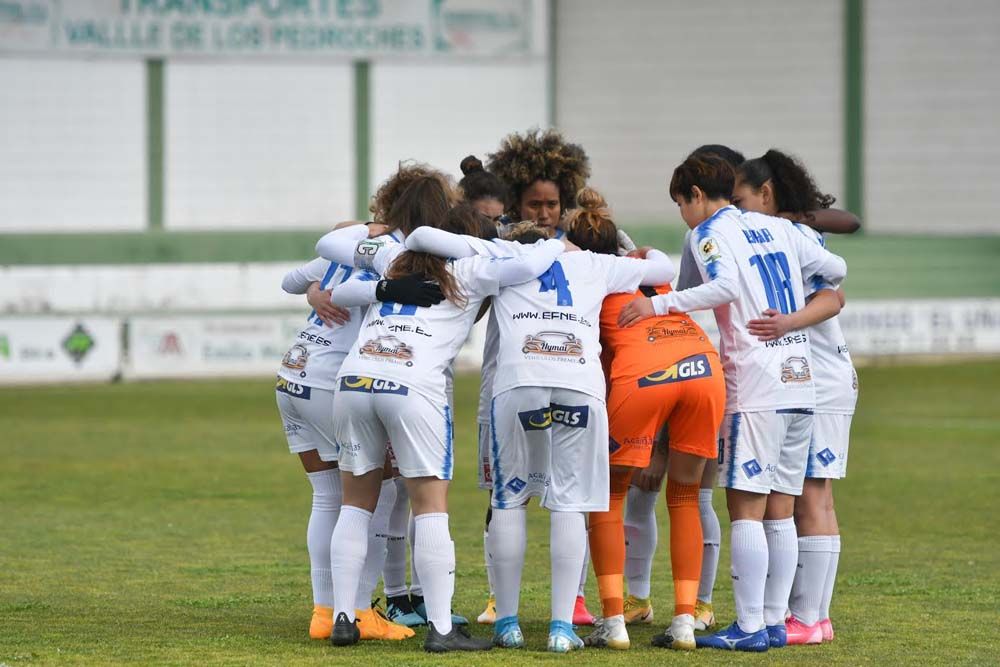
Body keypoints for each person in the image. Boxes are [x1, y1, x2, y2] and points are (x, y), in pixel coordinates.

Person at [319, 176, 570, 652]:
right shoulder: (475, 266)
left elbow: (332, 247)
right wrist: (551, 243)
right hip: (413, 385)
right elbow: (538, 258)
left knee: (355, 501)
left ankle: (344, 618)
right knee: (429, 504)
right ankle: (440, 628)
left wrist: (379, 252)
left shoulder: (392, 256)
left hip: (353, 380)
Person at [618, 154, 847, 652]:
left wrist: (653, 305)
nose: (683, 214)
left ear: (697, 195)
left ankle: (748, 626)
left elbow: (722, 286)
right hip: (799, 377)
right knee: (780, 511)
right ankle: (770, 622)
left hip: (757, 381)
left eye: (681, 203)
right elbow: (838, 268)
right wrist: (791, 311)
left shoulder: (708, 234)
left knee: (745, 508)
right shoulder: (775, 227)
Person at [561, 188, 725, 652]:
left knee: (609, 498)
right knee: (687, 497)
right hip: (701, 365)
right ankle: (687, 623)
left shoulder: (589, 284)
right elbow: (652, 255)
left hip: (643, 374)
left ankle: (614, 621)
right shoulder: (654, 272)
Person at [277, 221, 441, 643]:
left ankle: (324, 612)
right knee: (377, 491)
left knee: (327, 494)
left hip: (293, 373)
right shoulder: (392, 255)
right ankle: (361, 611)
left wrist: (317, 290)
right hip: (329, 380)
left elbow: (289, 281)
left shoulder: (341, 249)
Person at [733, 149, 859, 644]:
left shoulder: (789, 234)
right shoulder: (794, 232)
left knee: (807, 496)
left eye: (742, 200)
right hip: (831, 372)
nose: (736, 212)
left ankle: (804, 617)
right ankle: (816, 617)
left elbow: (834, 295)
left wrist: (784, 324)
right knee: (819, 496)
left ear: (766, 194)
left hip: (817, 375)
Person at [485, 129, 599, 624]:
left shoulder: (586, 244)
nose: (545, 213)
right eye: (534, 203)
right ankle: (499, 598)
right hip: (506, 377)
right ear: (516, 202)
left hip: (544, 376)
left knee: (563, 493)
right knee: (510, 496)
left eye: (553, 203)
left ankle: (571, 599)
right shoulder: (496, 245)